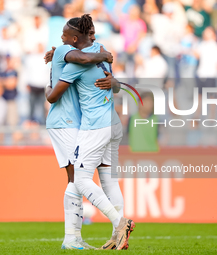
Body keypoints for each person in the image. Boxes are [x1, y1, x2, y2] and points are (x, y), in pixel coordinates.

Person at [46, 15, 135, 251]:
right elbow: (111, 82)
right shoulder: (102, 50)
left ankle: (118, 225)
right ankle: (115, 236)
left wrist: (48, 88)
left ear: (75, 39)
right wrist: (113, 76)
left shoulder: (76, 62)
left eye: (65, 36)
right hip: (113, 124)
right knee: (106, 179)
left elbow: (53, 96)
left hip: (89, 125)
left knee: (80, 180)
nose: (61, 39)